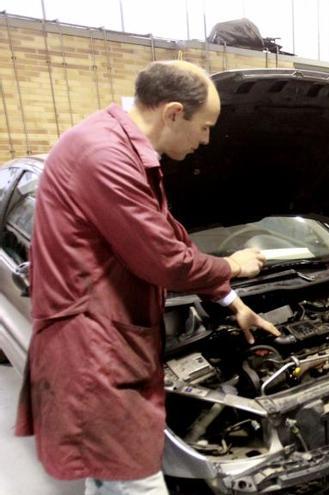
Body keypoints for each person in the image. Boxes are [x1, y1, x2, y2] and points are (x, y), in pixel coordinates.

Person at [16, 60, 279, 495]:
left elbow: (170, 235)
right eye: (205, 127)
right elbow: (165, 259)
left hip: (110, 339)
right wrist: (232, 264)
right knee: (137, 482)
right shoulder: (104, 156)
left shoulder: (124, 150)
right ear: (173, 112)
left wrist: (233, 303)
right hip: (94, 352)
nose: (207, 140)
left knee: (110, 478)